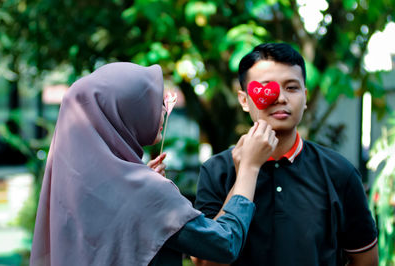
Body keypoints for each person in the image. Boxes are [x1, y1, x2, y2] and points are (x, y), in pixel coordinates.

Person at [29, 62, 279, 266]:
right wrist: (249, 168)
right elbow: (224, 244)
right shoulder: (145, 194)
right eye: (155, 103)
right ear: (126, 110)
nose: (163, 111)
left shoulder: (78, 187)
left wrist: (144, 185)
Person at [193, 43, 378, 266]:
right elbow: (205, 263)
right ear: (244, 100)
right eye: (266, 87)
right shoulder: (216, 171)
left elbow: (366, 260)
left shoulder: (339, 172)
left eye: (292, 88)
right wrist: (247, 171)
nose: (280, 98)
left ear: (305, 96)